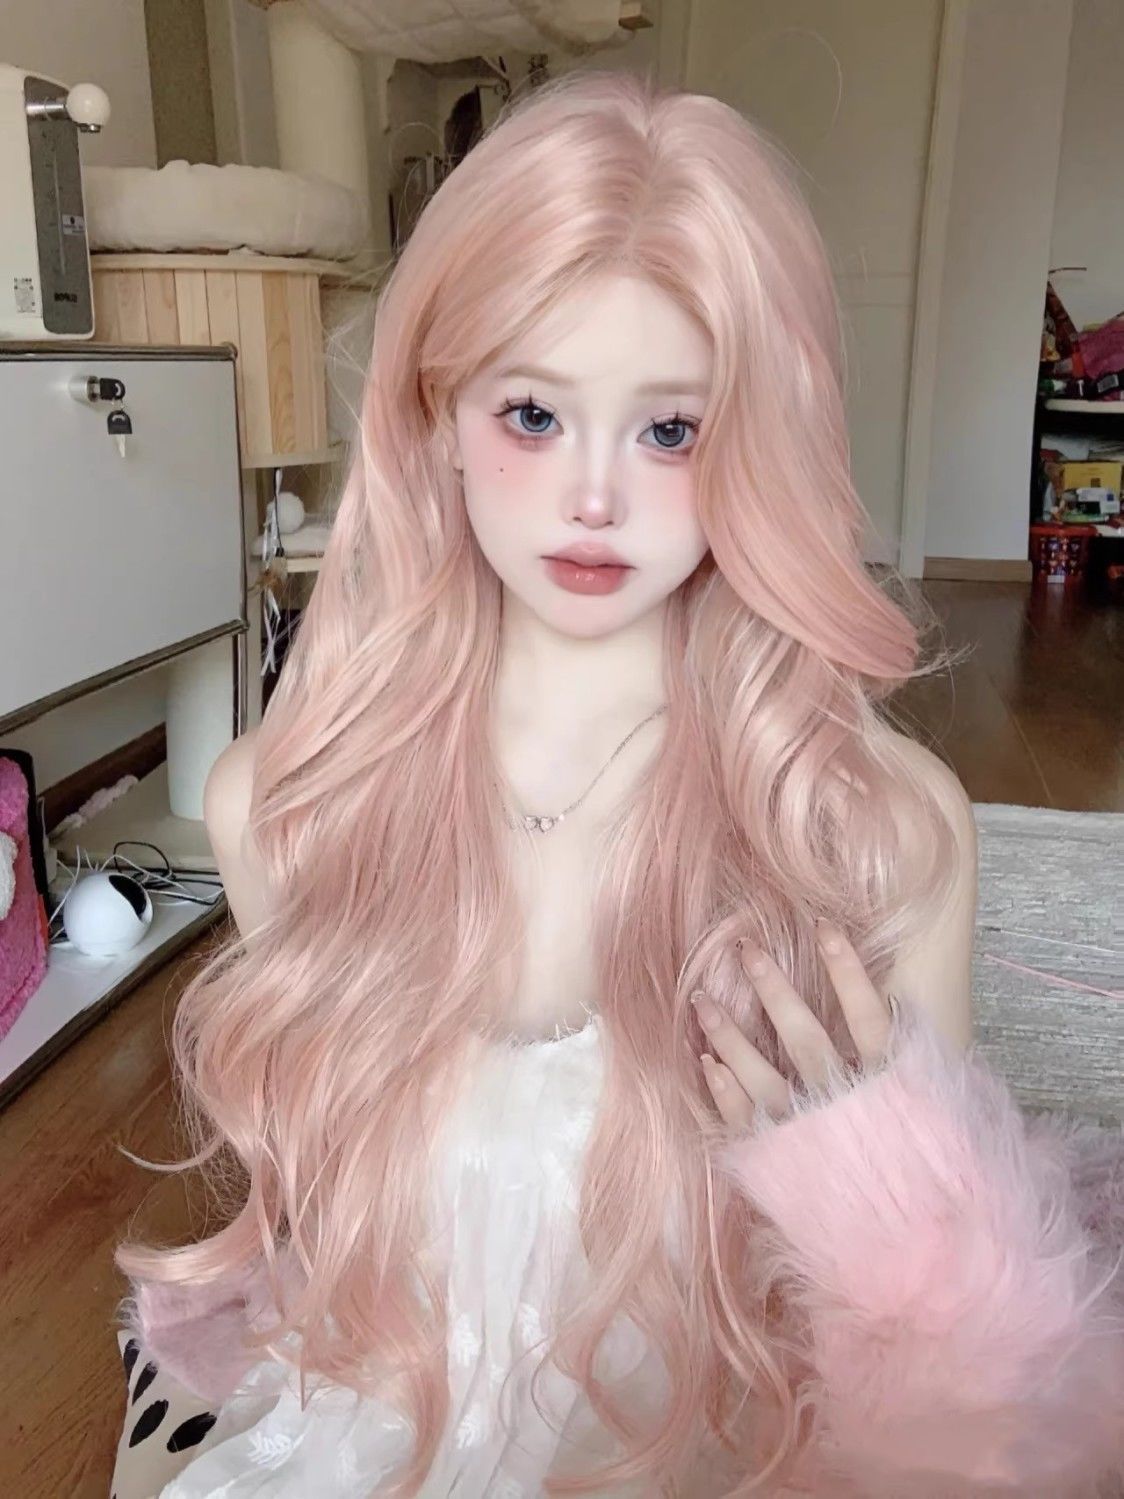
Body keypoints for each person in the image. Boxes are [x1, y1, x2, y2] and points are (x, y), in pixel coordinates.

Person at [109, 70, 1123, 1499]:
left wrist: (872, 1181)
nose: (595, 496)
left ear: (760, 441)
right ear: (434, 412)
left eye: (671, 430)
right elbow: (340, 1237)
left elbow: (961, 1368)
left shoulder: (874, 833)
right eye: (532, 413)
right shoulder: (288, 807)